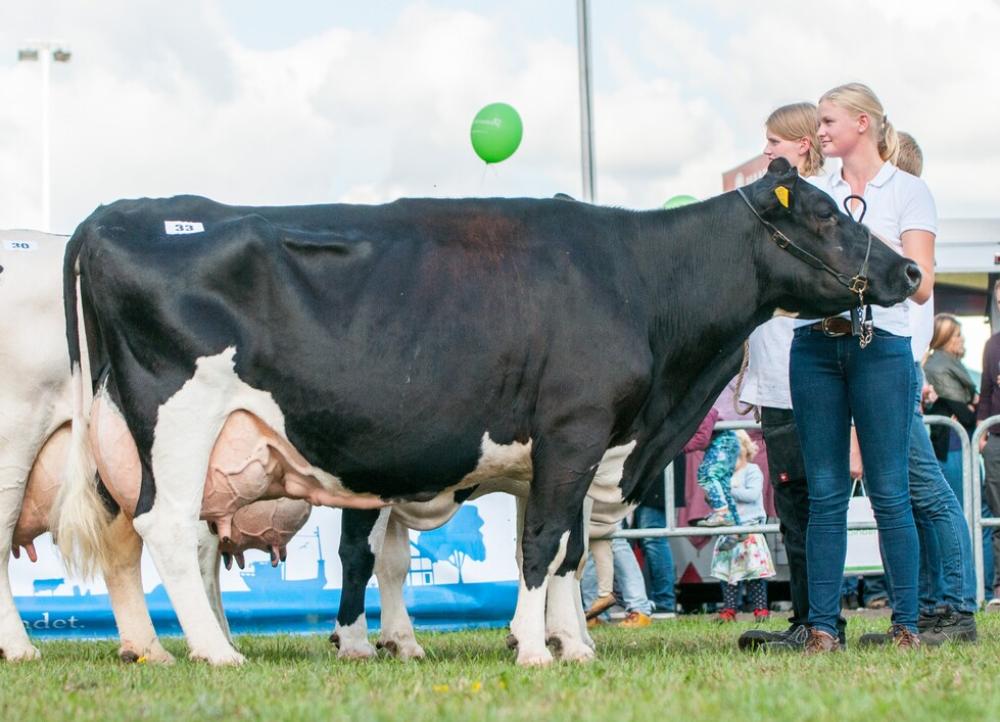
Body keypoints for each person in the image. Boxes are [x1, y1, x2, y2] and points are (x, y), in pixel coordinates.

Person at [790, 83, 937, 652]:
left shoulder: (909, 191)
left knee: (889, 492)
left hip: (882, 347)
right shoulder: (811, 190)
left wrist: (857, 241)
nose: (820, 131)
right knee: (825, 493)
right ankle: (823, 628)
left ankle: (907, 624)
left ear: (862, 123)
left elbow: (919, 285)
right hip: (815, 345)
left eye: (828, 121)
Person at [737, 102, 843, 652]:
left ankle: (819, 621)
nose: (767, 150)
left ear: (803, 144)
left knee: (806, 502)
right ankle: (808, 617)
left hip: (800, 377)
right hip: (775, 381)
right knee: (793, 508)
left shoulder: (816, 206)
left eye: (775, 141)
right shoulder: (774, 204)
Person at [633, 409, 721, 618]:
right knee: (649, 538)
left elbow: (708, 417)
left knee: (653, 536)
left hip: (656, 469)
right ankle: (660, 599)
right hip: (655, 467)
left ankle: (664, 601)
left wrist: (674, 445)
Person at [712, 431, 775, 621]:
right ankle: (729, 609)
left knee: (754, 573)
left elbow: (753, 495)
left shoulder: (753, 471)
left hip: (749, 529)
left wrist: (729, 489)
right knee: (728, 574)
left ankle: (761, 609)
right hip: (729, 528)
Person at [978, 283, 1000, 605]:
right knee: (997, 516)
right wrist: (981, 433)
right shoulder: (993, 345)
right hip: (995, 439)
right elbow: (985, 393)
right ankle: (999, 587)